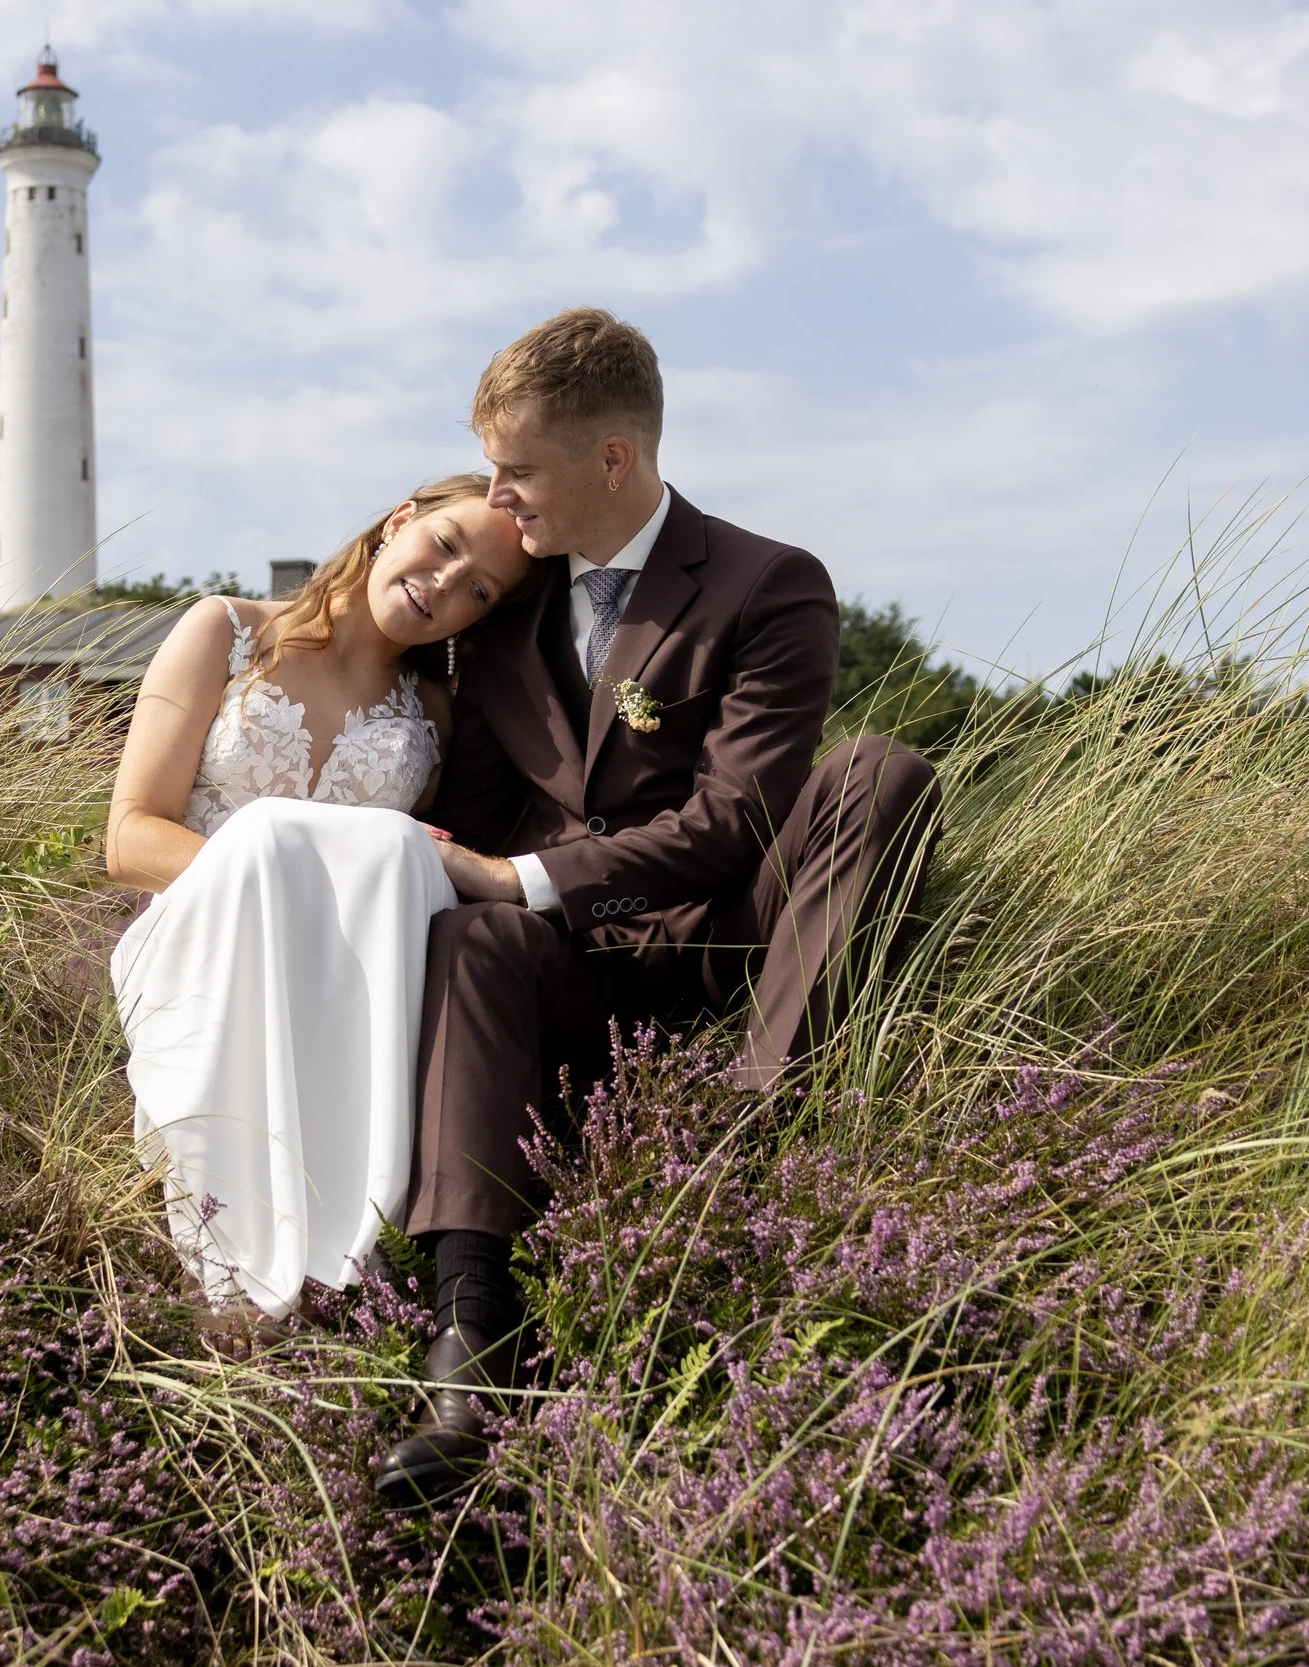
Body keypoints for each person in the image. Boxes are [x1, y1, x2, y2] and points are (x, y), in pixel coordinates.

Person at [374, 309, 943, 1504]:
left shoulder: (764, 584)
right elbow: (473, 810)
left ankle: (750, 1133)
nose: (495, 494)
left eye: (515, 468)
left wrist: (525, 875)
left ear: (612, 459)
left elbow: (740, 813)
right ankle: (467, 1363)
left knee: (881, 767)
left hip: (730, 938)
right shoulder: (504, 602)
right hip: (565, 970)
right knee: (475, 931)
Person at [106, 475, 532, 1316]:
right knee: (267, 835)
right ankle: (233, 1272)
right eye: (445, 545)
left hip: (343, 986)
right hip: (205, 944)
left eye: (479, 589)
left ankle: (337, 1266)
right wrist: (273, 883)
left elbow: (399, 882)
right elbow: (128, 838)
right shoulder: (225, 631)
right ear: (398, 521)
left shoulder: (434, 718)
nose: (446, 584)